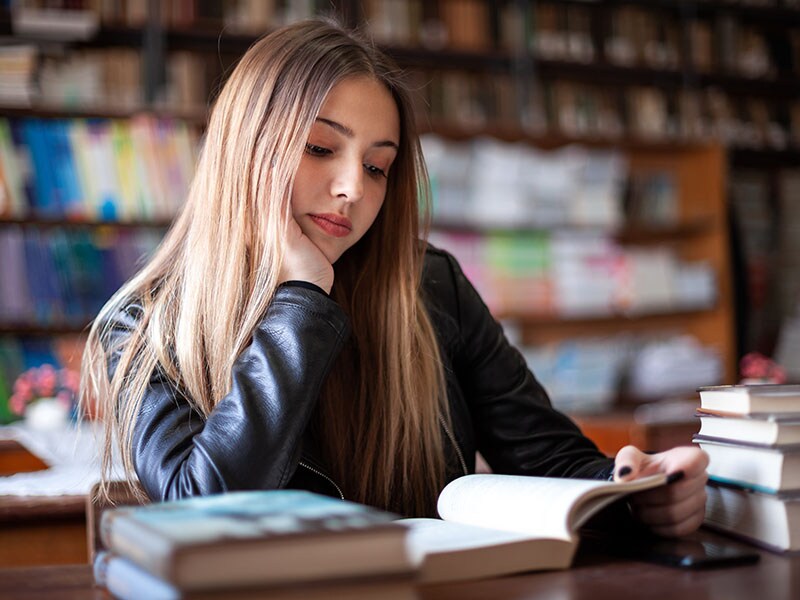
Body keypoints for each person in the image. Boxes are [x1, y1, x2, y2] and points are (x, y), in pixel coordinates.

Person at [81, 18, 708, 537]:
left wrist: (636, 490)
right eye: (320, 148)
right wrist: (301, 299)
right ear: (246, 148)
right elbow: (204, 509)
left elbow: (553, 460)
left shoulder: (431, 285)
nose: (353, 188)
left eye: (377, 167)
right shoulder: (142, 325)